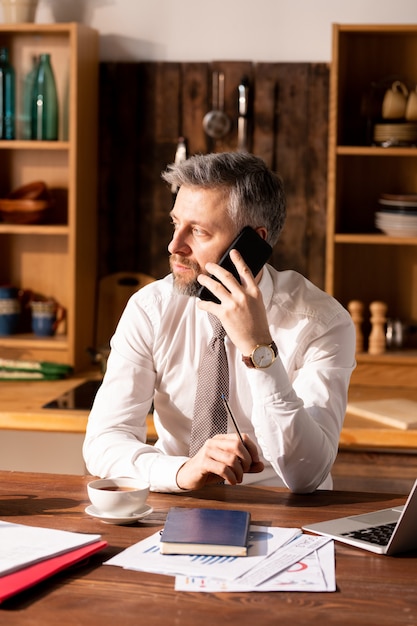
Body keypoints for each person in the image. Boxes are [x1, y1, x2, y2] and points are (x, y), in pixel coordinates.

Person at [83, 152, 356, 493]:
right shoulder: (150, 308)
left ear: (252, 242)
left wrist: (259, 350)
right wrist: (183, 471)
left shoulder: (322, 322)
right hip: (175, 501)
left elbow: (308, 475)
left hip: (283, 512)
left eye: (198, 231)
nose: (174, 245)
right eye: (175, 224)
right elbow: (104, 440)